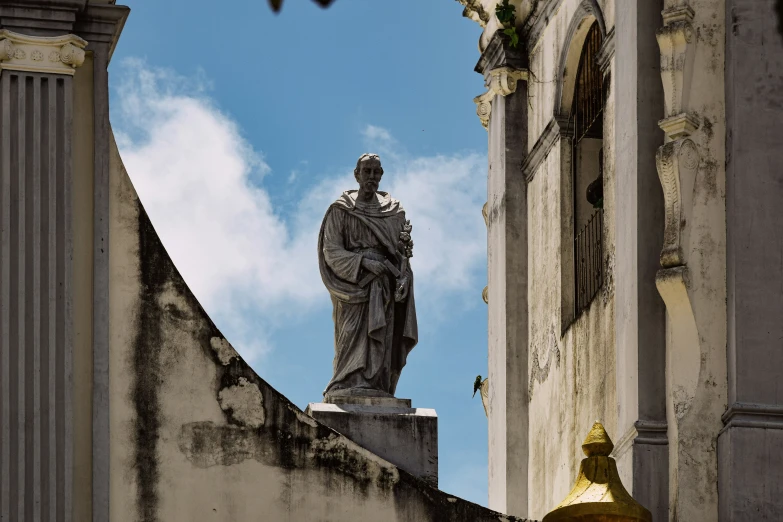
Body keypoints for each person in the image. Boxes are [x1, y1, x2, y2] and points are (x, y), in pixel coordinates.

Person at [317, 153, 418, 398]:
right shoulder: (341, 210)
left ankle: (377, 386)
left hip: (384, 285)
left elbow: (402, 254)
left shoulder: (394, 212)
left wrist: (404, 277)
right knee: (351, 334)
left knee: (382, 338)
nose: (372, 176)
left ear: (381, 175)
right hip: (354, 285)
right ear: (356, 174)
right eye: (367, 171)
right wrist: (363, 262)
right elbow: (331, 251)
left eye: (376, 172)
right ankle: (346, 382)